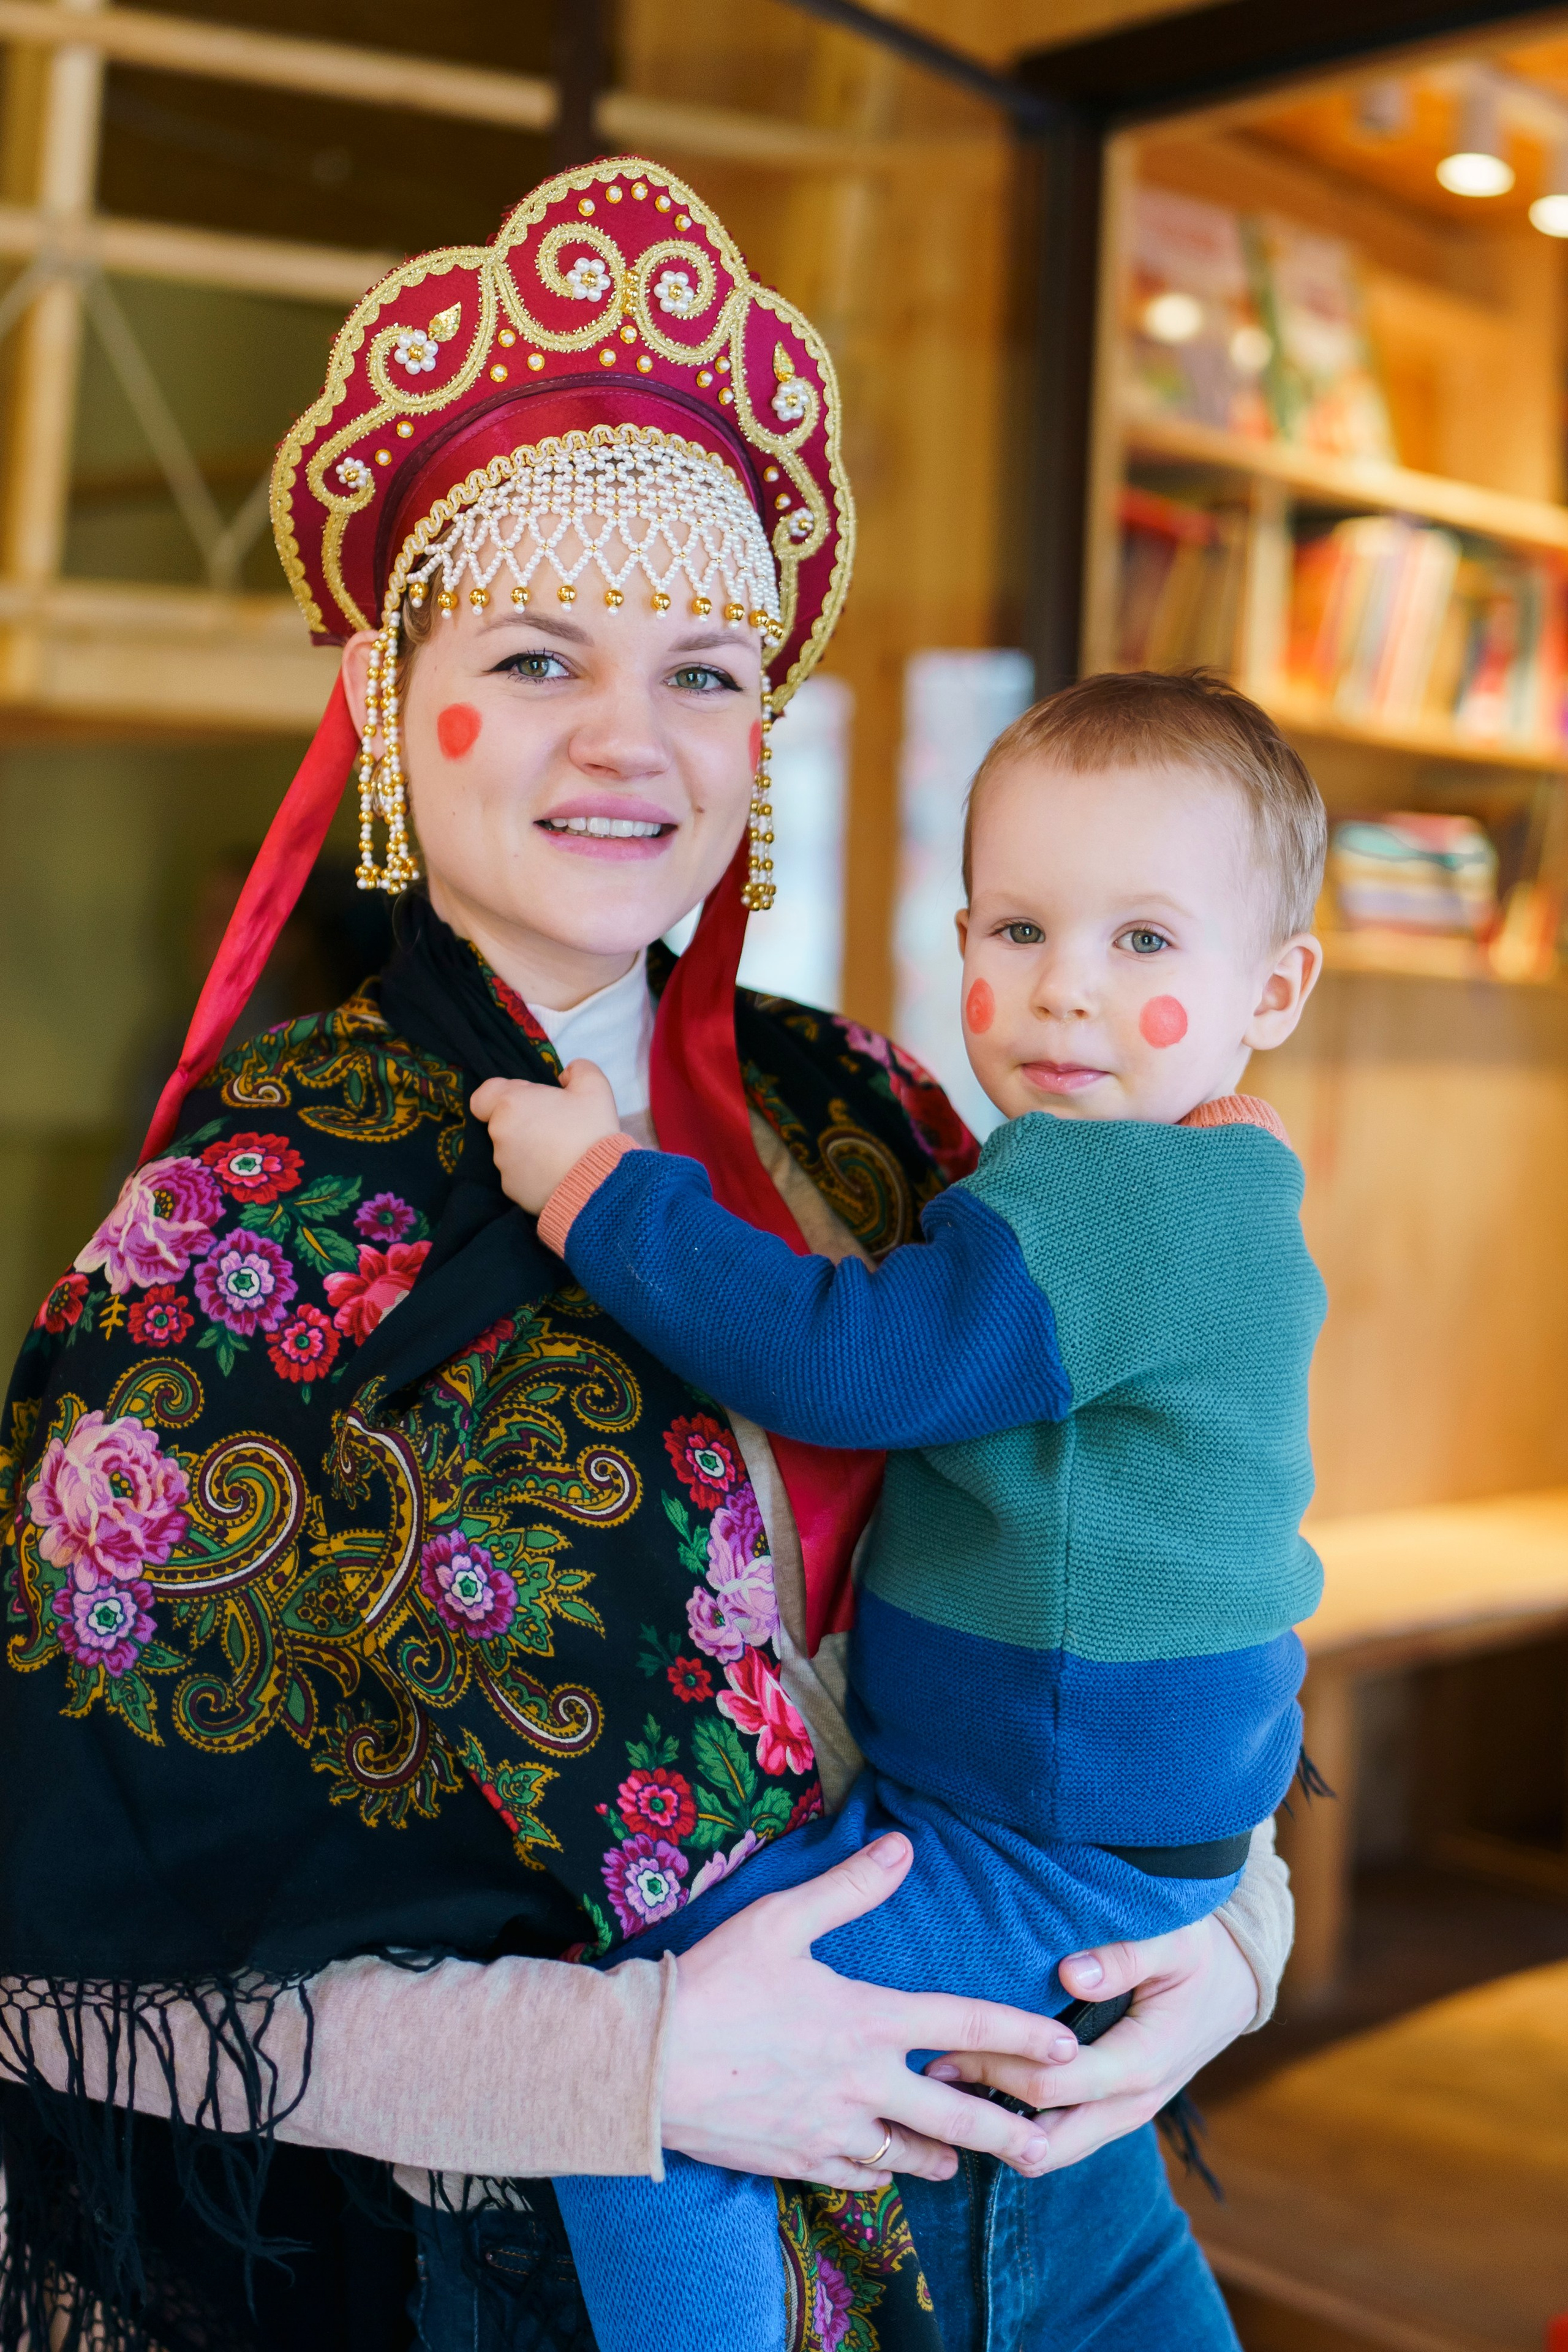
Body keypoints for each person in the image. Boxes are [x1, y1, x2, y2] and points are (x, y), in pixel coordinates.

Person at [0, 159, 1292, 2352]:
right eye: (536, 656)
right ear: (395, 706)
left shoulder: (888, 1122)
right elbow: (57, 1972)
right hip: (532, 2281)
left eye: (702, 669)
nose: (631, 737)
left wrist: (1225, 1954)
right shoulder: (230, 1234)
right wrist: (641, 2070)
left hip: (1028, 2208)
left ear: (759, 739)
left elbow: (1153, 1563)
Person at [473, 667, 1327, 2351]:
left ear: (1273, 986)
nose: (1063, 991)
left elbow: (857, 1366)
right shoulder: (1200, 1177)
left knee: (663, 2083)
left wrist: (597, 1192)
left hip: (1048, 1845)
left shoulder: (1114, 1196)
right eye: (1016, 929)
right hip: (1095, 1824)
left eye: (1143, 944)